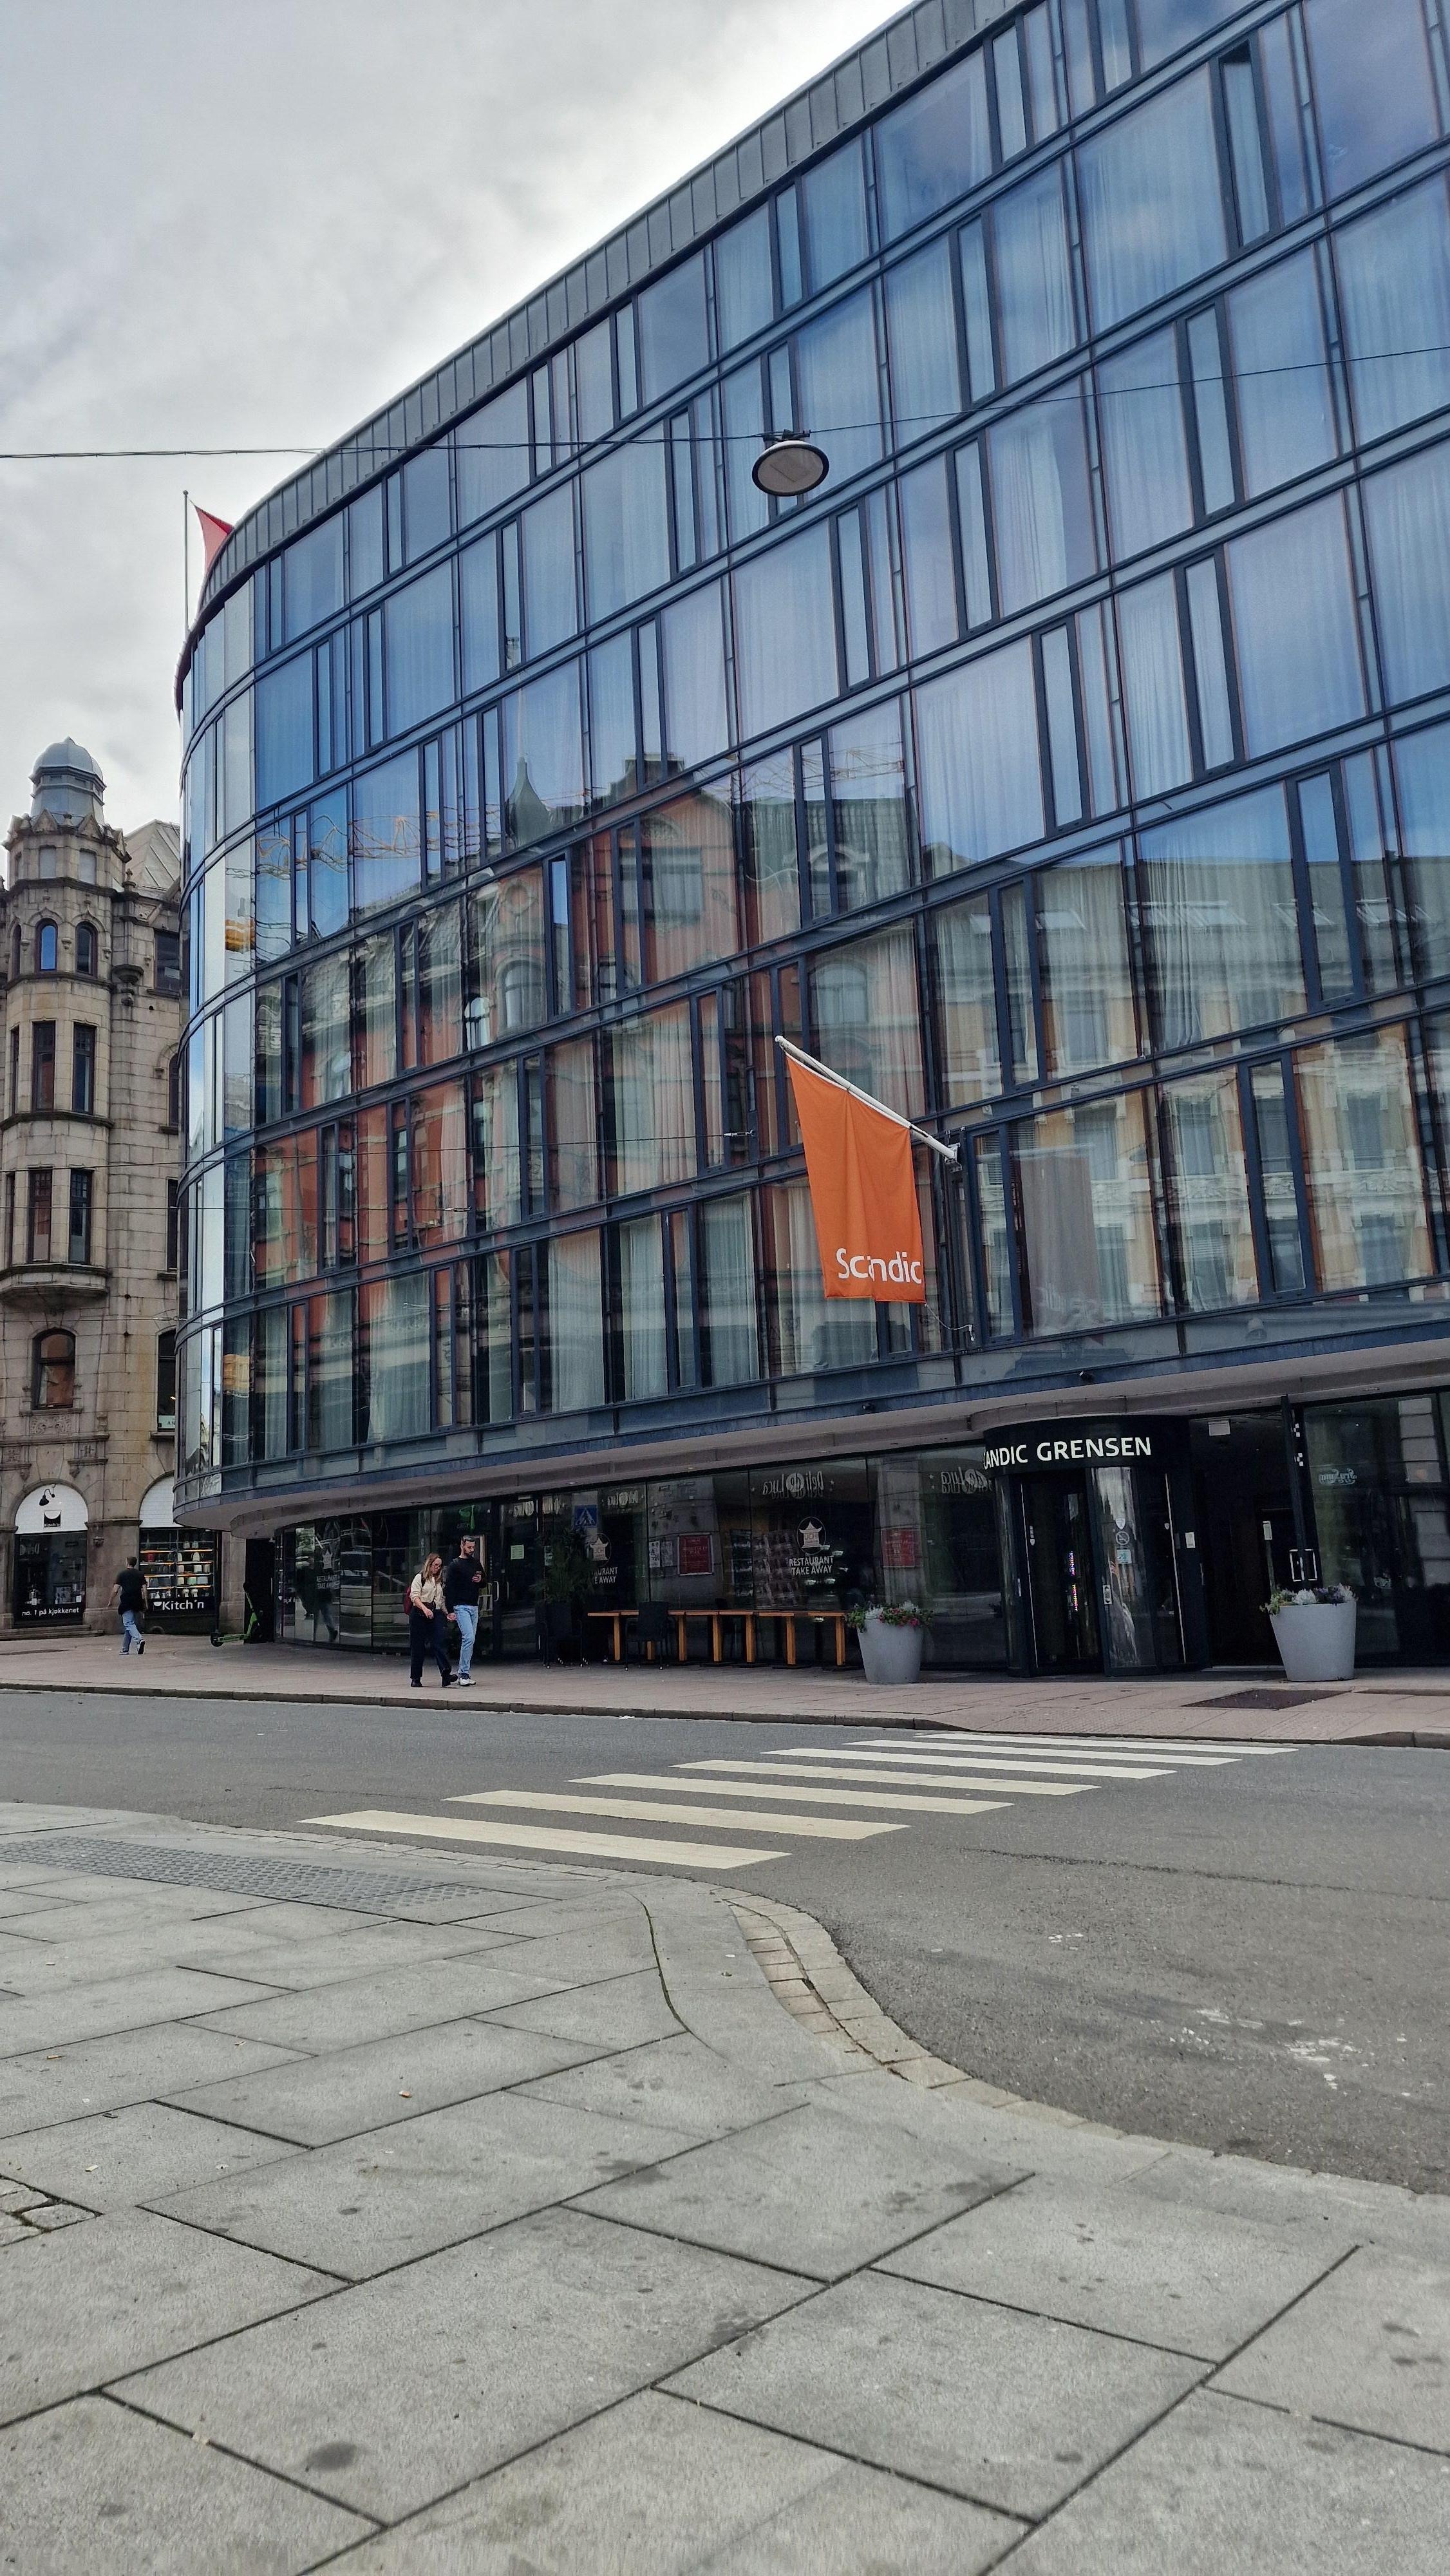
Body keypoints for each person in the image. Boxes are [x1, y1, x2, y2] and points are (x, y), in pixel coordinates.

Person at [407, 1553, 455, 1688]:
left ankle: (446, 1674)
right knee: (418, 1647)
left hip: (435, 1613)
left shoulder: (438, 1581)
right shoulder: (420, 1578)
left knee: (439, 1642)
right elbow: (414, 1597)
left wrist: (447, 1613)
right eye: (435, 1565)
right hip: (419, 1614)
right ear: (430, 1564)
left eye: (440, 1566)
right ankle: (416, 1678)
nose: (437, 1568)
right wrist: (424, 1609)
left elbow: (440, 1600)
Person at [443, 1537, 485, 1686]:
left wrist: (480, 1580)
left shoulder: (475, 1563)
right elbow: (449, 1588)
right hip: (461, 1606)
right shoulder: (455, 1565)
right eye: (469, 1547)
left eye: (473, 1547)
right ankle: (463, 1673)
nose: (471, 1550)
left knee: (470, 1639)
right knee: (468, 1637)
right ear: (462, 1546)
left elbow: (484, 1581)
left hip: (473, 1605)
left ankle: (465, 1671)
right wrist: (450, 1609)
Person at [110, 1555, 148, 1656]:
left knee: (128, 1623)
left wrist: (110, 1601)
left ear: (127, 1562)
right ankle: (125, 1649)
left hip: (127, 1601)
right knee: (130, 1625)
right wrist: (146, 1603)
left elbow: (115, 1589)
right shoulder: (140, 1574)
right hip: (137, 1602)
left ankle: (139, 1640)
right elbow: (144, 1590)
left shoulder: (122, 1574)